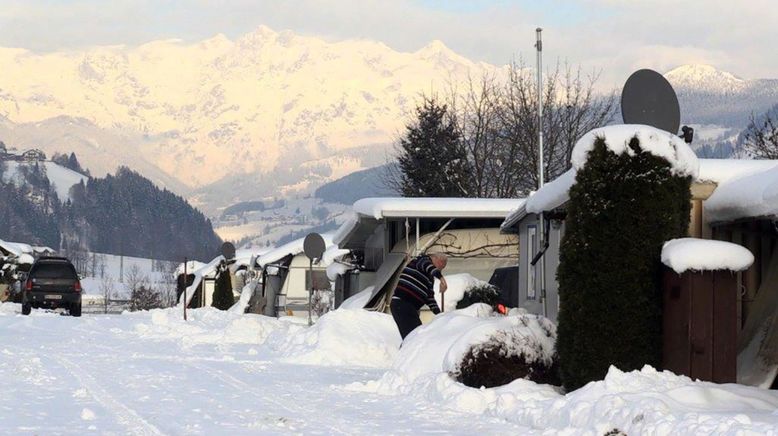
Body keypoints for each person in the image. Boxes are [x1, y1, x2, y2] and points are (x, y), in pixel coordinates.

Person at [390, 253, 448, 340]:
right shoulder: (421, 260)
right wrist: (442, 279)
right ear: (436, 259)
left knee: (415, 337)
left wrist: (439, 314)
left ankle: (408, 352)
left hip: (410, 308)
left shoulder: (429, 277)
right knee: (414, 337)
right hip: (402, 303)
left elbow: (430, 298)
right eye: (442, 266)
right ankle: (407, 353)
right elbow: (427, 266)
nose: (440, 269)